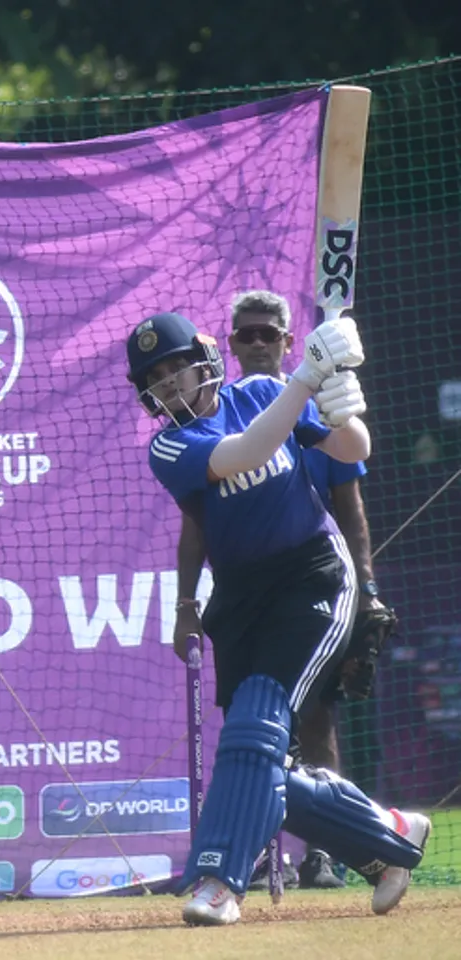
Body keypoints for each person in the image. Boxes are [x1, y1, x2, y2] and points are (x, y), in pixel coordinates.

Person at [126, 310, 430, 926]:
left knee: (257, 724)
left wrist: (343, 408)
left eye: (175, 368)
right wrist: (307, 381)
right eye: (154, 377)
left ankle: (219, 880)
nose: (167, 383)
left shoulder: (264, 391)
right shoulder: (168, 446)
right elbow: (247, 453)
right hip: (241, 599)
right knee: (266, 760)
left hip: (311, 577)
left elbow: (352, 451)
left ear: (204, 363)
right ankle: (390, 833)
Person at [174, 290, 397, 891]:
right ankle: (367, 837)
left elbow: (351, 505)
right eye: (245, 335)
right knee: (251, 733)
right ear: (230, 345)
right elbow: (197, 527)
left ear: (287, 341)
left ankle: (317, 855)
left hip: (312, 584)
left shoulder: (312, 401)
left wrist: (367, 589)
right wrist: (187, 604)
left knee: (312, 720)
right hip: (246, 596)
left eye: (267, 335)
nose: (256, 344)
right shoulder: (219, 418)